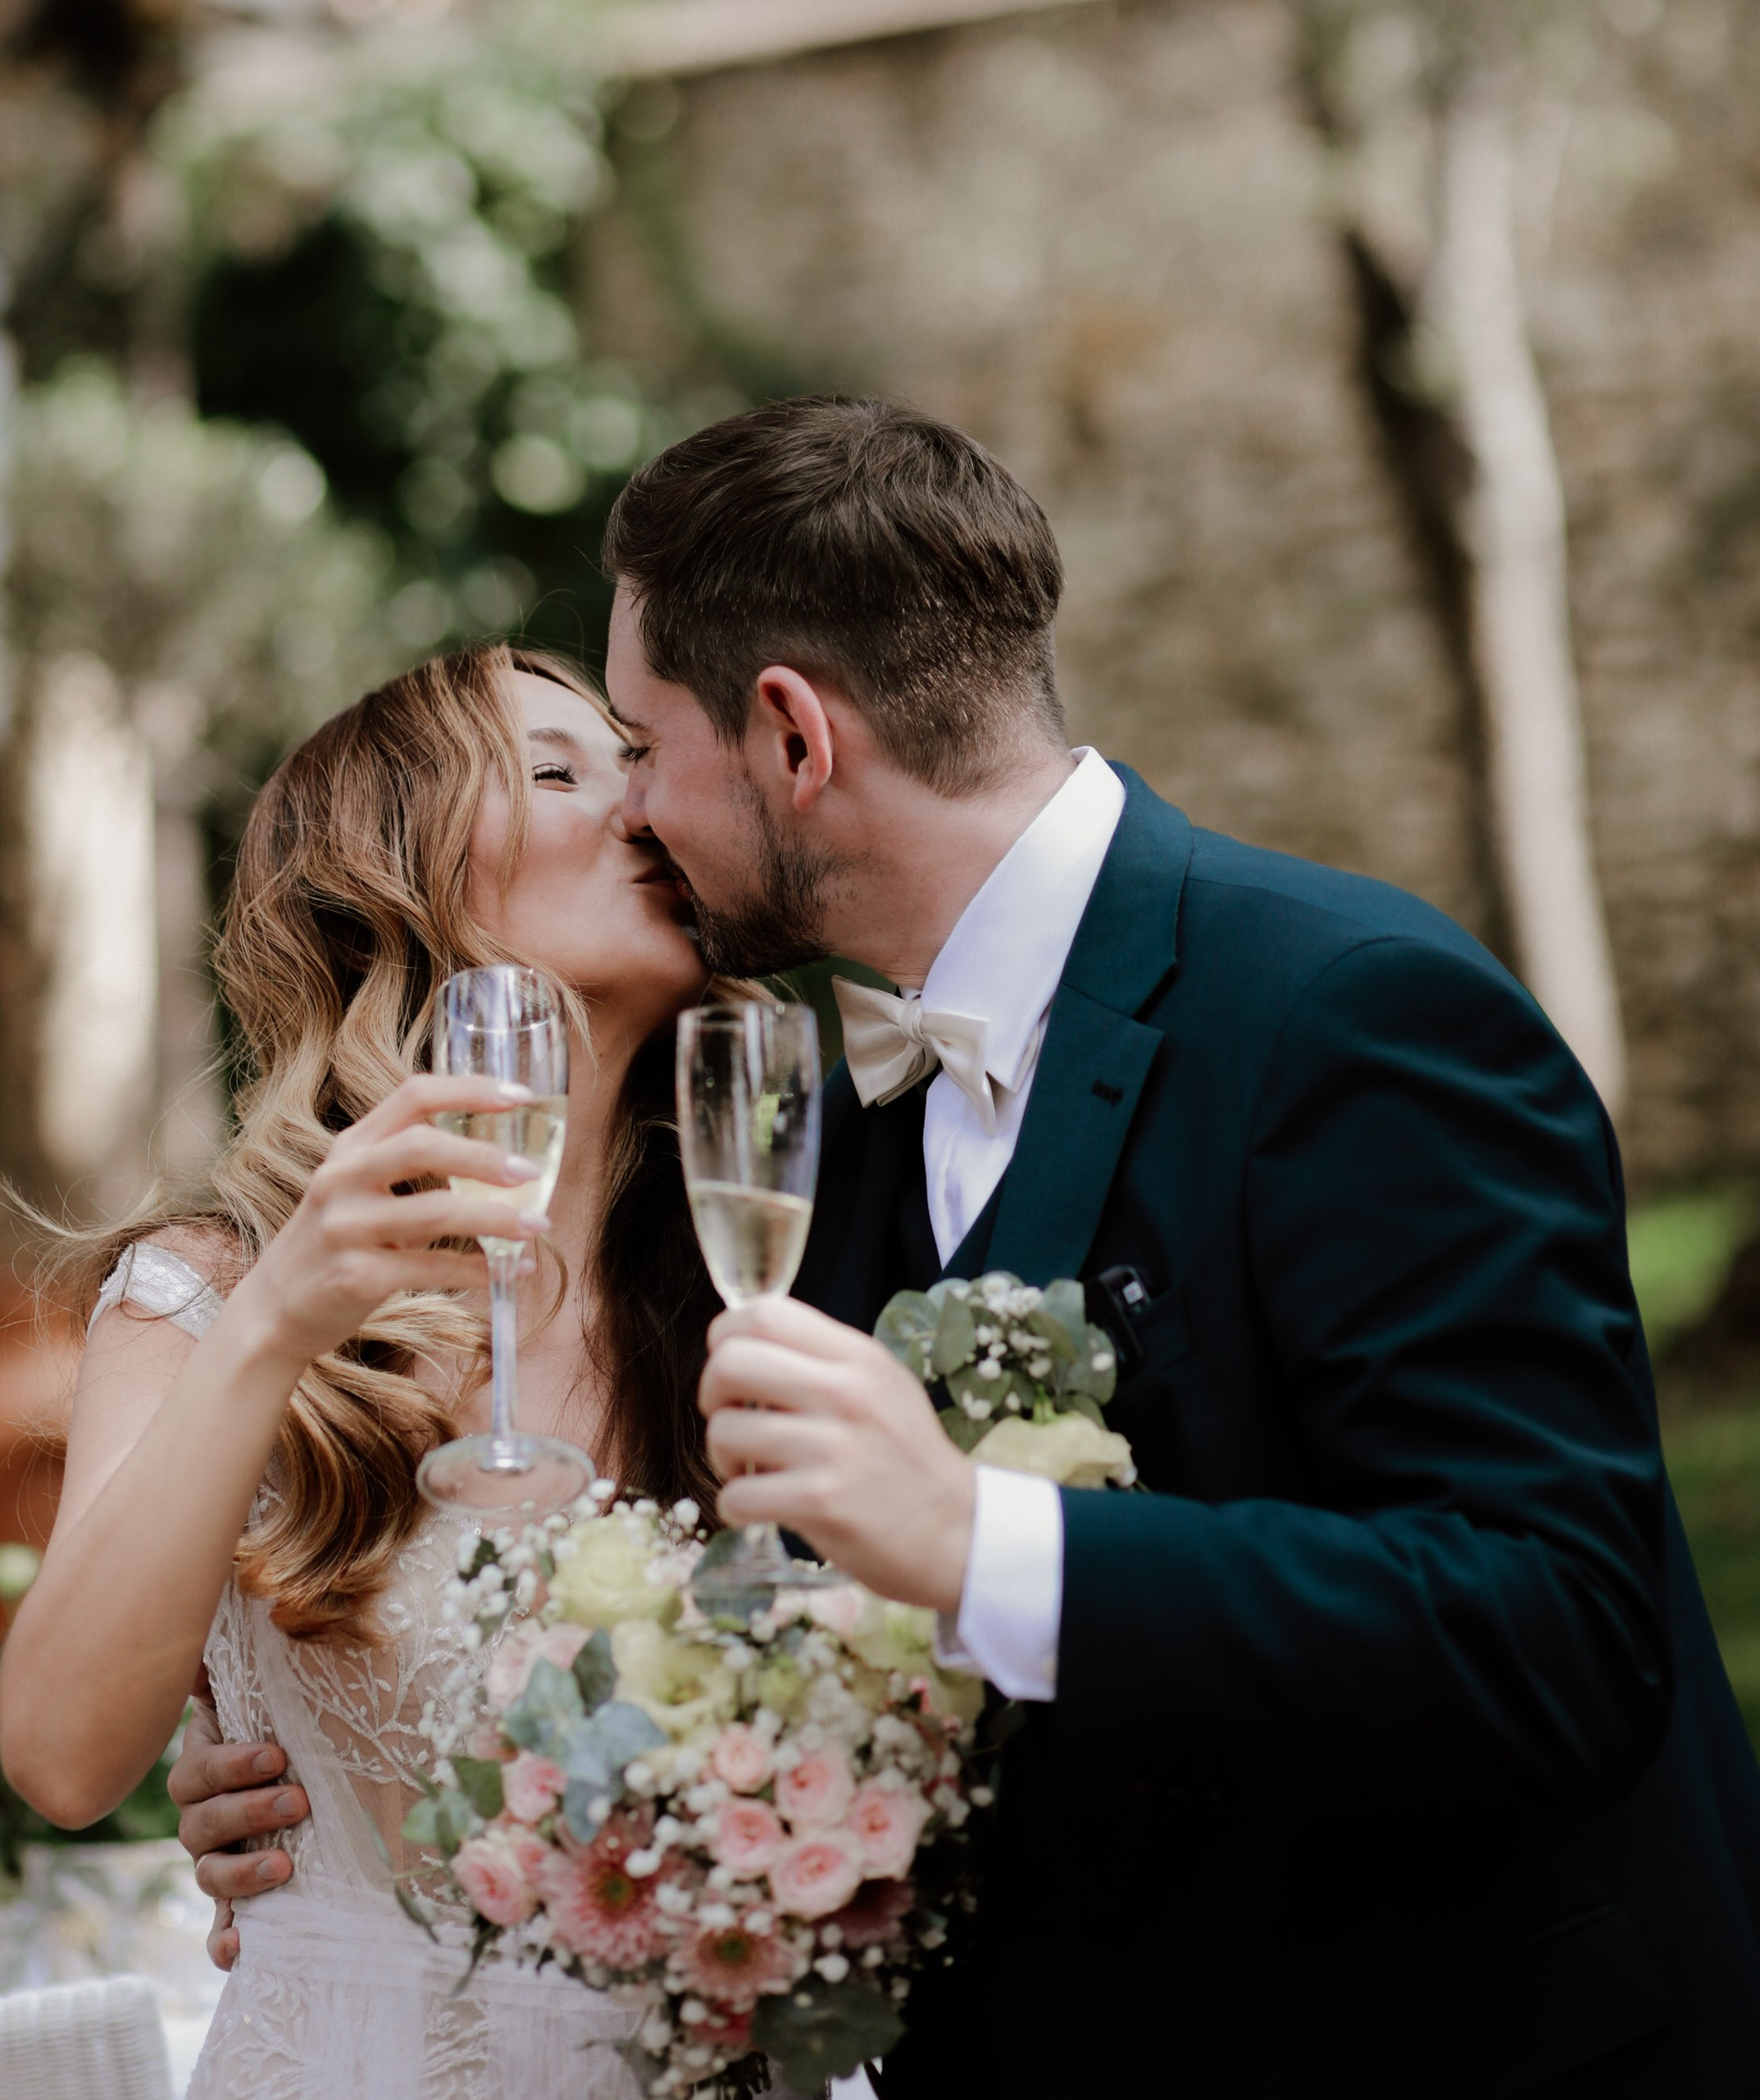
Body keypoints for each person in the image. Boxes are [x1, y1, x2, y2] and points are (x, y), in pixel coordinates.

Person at [180, 397, 1760, 2095]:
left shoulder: (1342, 1010)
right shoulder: (823, 1134)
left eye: (642, 744)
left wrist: (983, 1542)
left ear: (791, 736)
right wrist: (371, 1807)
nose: (631, 806)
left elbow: (1558, 1629)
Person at [0, 645, 790, 2100]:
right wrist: (274, 1323)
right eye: (560, 770)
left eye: (635, 759)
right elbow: (59, 1756)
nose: (644, 803)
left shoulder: (772, 1269)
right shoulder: (211, 1292)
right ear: (397, 881)